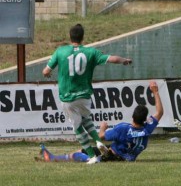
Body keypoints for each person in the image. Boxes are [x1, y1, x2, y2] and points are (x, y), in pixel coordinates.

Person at [42, 23, 133, 164]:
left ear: (70, 36)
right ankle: (98, 141)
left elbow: (46, 71)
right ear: (82, 37)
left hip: (68, 97)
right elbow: (112, 59)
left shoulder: (60, 51)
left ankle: (92, 156)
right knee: (85, 120)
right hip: (85, 96)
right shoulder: (91, 52)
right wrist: (124, 61)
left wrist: (48, 73)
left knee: (77, 128)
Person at [35, 81, 164, 163]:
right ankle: (56, 158)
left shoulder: (123, 128)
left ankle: (54, 158)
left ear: (133, 117)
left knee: (82, 153)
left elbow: (101, 137)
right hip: (128, 158)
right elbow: (159, 112)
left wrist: (103, 127)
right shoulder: (146, 130)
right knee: (87, 151)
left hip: (113, 156)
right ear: (144, 120)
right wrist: (156, 92)